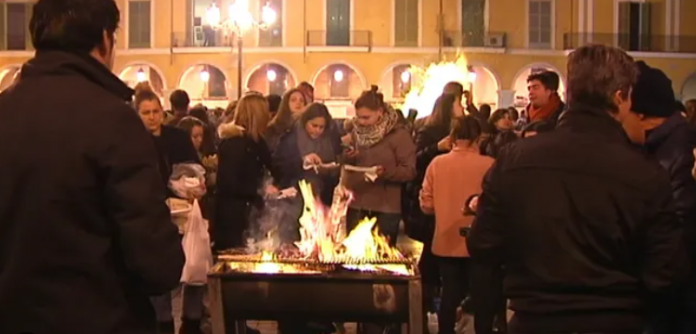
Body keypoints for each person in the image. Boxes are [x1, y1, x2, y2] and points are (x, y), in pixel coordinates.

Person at [468, 44, 690, 334]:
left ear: (570, 93)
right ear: (621, 97)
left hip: (534, 318)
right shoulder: (645, 174)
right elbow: (667, 274)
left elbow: (483, 244)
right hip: (615, 321)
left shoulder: (515, 159)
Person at [0, 1, 184, 333]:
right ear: (104, 39)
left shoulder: (5, 111)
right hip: (100, 318)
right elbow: (156, 264)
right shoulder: (114, 122)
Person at [628, 61, 696, 334]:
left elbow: (679, 234)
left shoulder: (678, 152)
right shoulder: (660, 146)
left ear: (642, 114)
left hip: (673, 307)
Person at [420, 116, 494, 334]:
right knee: (483, 296)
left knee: (449, 294)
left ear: (452, 136)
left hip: (446, 239)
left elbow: (427, 206)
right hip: (480, 242)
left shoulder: (437, 164)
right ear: (478, 138)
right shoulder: (490, 165)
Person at [344, 85, 416, 246]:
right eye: (359, 117)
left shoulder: (399, 136)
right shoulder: (356, 133)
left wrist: (385, 172)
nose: (361, 122)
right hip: (357, 204)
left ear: (380, 113)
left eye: (366, 117)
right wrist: (349, 157)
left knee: (381, 261)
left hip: (386, 209)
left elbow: (409, 171)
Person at [215, 94, 279, 252]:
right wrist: (261, 190)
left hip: (249, 211)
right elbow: (229, 183)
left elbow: (271, 167)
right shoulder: (235, 143)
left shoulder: (256, 141)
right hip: (235, 218)